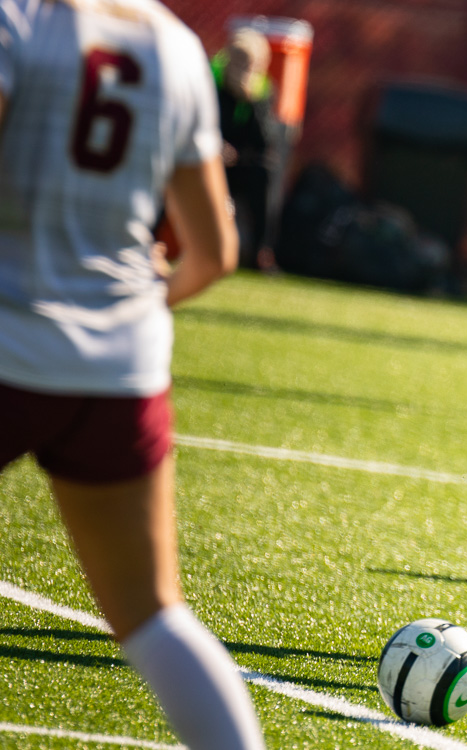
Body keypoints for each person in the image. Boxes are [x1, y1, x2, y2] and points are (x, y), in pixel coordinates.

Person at [0, 1, 264, 747]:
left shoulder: (18, 22)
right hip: (121, 367)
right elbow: (214, 251)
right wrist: (134, 298)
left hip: (10, 338)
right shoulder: (179, 49)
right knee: (153, 616)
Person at [213, 27, 278, 270]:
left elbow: (264, 142)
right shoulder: (210, 80)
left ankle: (260, 252)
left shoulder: (263, 91)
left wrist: (252, 101)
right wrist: (214, 146)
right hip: (205, 159)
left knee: (265, 172)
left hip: (239, 164)